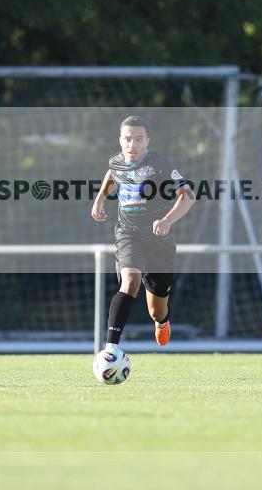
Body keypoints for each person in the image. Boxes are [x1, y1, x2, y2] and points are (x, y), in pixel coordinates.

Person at [91, 116, 195, 349]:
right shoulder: (116, 162)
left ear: (148, 140)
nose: (132, 145)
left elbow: (188, 196)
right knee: (129, 282)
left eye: (138, 139)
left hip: (159, 241)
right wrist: (99, 200)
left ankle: (163, 321)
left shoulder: (160, 164)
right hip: (129, 235)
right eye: (128, 139)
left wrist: (167, 220)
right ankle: (111, 350)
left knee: (156, 310)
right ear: (120, 141)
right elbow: (111, 175)